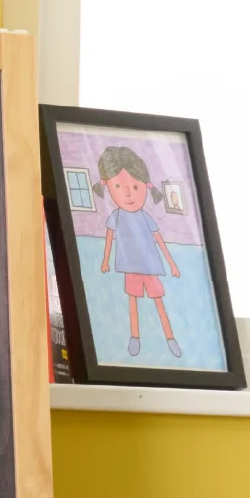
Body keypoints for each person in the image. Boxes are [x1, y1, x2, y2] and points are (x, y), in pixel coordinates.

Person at [95, 145, 181, 359]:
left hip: (150, 267)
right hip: (130, 267)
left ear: (146, 187)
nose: (128, 193)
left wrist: (172, 263)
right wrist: (105, 260)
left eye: (135, 187)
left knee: (159, 301)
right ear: (109, 188)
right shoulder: (115, 216)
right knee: (132, 300)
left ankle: (170, 337)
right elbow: (109, 238)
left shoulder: (145, 217)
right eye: (118, 186)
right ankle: (135, 336)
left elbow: (159, 241)